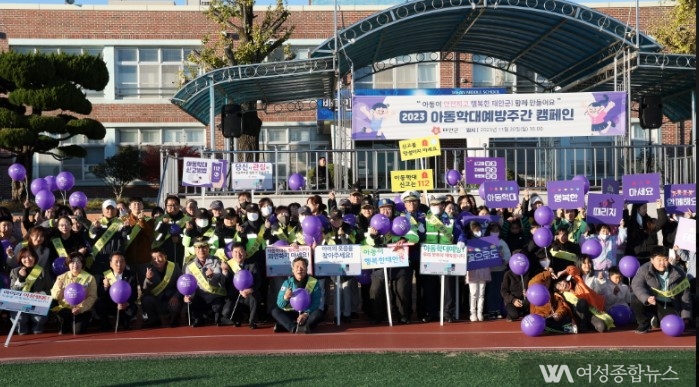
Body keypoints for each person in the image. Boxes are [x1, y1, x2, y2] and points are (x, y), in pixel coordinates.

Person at [631, 247, 692, 334]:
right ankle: (644, 323)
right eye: (659, 260)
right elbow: (637, 285)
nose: (662, 263)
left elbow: (686, 296)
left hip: (668, 304)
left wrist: (685, 317)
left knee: (674, 325)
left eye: (665, 260)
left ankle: (656, 319)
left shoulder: (679, 273)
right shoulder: (644, 269)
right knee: (635, 298)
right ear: (652, 260)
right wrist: (647, 298)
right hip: (651, 301)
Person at [183, 238, 231, 327]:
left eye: (204, 247)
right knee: (193, 302)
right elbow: (189, 284)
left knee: (219, 316)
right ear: (194, 250)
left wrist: (216, 275)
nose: (201, 250)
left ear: (208, 248)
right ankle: (199, 319)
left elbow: (222, 282)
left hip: (215, 295)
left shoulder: (217, 261)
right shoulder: (189, 265)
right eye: (198, 248)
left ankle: (216, 317)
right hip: (200, 296)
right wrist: (188, 295)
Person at [271, 256, 324, 333]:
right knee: (275, 311)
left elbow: (316, 302)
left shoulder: (314, 282)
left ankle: (287, 326)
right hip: (292, 312)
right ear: (293, 270)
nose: (299, 269)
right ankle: (294, 328)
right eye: (297, 267)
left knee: (318, 314)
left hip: (307, 313)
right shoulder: (287, 283)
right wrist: (285, 297)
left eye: (302, 266)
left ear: (306, 269)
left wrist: (305, 314)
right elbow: (280, 304)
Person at [50, 252, 98, 334]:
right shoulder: (61, 278)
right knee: (63, 315)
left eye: (78, 262)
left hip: (82, 310)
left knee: (78, 331)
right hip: (66, 309)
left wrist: (80, 308)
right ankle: (66, 324)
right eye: (72, 262)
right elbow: (55, 296)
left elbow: (92, 297)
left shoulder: (90, 278)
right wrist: (59, 288)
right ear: (68, 264)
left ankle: (83, 321)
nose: (75, 265)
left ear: (82, 264)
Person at [10, 247, 53, 334]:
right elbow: (13, 292)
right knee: (20, 320)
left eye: (30, 256)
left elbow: (51, 290)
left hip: (37, 302)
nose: (27, 259)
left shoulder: (42, 271)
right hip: (20, 302)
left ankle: (36, 325)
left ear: (35, 257)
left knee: (39, 319)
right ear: (20, 259)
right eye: (24, 257)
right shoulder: (15, 271)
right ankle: (22, 326)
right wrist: (21, 278)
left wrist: (42, 293)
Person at [96, 252, 139, 331]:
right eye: (116, 262)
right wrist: (105, 286)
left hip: (125, 305)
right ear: (110, 264)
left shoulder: (131, 275)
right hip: (110, 305)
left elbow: (134, 294)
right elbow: (99, 293)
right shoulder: (105, 275)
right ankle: (106, 323)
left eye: (122, 261)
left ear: (125, 263)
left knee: (133, 308)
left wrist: (127, 303)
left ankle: (125, 321)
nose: (119, 264)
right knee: (99, 304)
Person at [222, 242, 261, 329]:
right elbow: (225, 283)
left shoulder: (252, 265)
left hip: (249, 294)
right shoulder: (228, 265)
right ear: (232, 254)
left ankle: (252, 321)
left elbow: (258, 282)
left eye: (241, 252)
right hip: (235, 295)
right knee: (226, 312)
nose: (238, 254)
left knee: (254, 297)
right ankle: (238, 318)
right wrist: (224, 272)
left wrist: (251, 290)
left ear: (245, 253)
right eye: (235, 252)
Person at [141, 248, 183, 328]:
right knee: (146, 299)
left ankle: (174, 318)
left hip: (172, 299)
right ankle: (154, 320)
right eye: (154, 258)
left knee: (176, 303)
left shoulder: (175, 267)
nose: (157, 260)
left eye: (159, 257)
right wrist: (148, 280)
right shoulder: (148, 270)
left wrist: (176, 296)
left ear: (165, 257)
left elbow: (182, 285)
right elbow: (145, 291)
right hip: (157, 300)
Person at [88, 199, 125, 275]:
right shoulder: (97, 223)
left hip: (116, 261)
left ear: (116, 210)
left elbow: (125, 236)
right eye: (107, 208)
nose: (110, 211)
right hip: (100, 259)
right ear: (103, 210)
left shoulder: (121, 222)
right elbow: (91, 236)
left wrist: (127, 227)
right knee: (100, 284)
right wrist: (95, 228)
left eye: (112, 208)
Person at [121, 197, 155, 278]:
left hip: (144, 259)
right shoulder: (124, 220)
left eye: (139, 203)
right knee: (130, 284)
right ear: (129, 207)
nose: (137, 206)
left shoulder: (149, 220)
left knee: (146, 284)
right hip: (128, 259)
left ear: (143, 206)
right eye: (134, 204)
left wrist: (142, 221)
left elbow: (149, 234)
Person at [153, 195, 191, 266]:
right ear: (166, 207)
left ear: (179, 206)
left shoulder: (187, 219)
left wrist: (179, 238)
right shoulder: (159, 220)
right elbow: (155, 237)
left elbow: (192, 236)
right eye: (170, 205)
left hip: (182, 253)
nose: (173, 207)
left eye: (175, 205)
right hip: (164, 253)